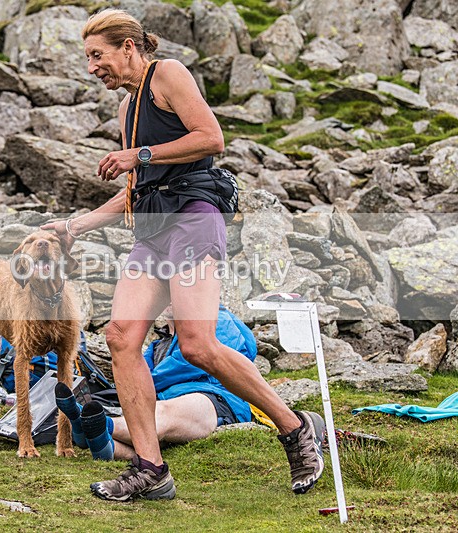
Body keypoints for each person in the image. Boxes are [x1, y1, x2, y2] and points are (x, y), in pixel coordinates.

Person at [41, 9, 325, 501]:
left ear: (128, 46)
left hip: (194, 215)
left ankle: (296, 428)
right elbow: (134, 188)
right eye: (88, 58)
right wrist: (74, 225)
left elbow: (211, 138)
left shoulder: (166, 74)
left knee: (196, 343)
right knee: (121, 336)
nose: (92, 67)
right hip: (152, 228)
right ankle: (151, 469)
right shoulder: (128, 109)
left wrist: (140, 154)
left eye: (97, 55)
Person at [55, 306, 257, 464]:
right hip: (169, 400)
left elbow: (191, 361)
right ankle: (105, 446)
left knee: (160, 413)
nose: (171, 298)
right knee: (151, 421)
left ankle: (93, 424)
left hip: (213, 397)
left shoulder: (215, 319)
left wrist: (143, 381)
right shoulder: (157, 346)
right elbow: (137, 373)